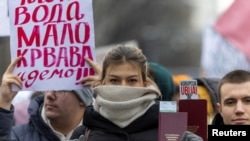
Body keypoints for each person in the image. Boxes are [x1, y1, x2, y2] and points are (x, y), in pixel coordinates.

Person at [77, 44, 203, 141]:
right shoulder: (85, 133)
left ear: (144, 83)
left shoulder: (171, 128)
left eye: (132, 80)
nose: (124, 87)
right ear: (103, 82)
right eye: (114, 80)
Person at [0, 56, 93, 141]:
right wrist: (4, 102)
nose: (49, 95)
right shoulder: (18, 137)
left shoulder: (102, 134)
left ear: (82, 99)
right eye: (47, 86)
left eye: (60, 89)